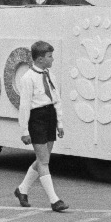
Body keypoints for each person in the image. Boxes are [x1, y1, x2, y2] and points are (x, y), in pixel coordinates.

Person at [14, 40, 68, 212]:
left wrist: (59, 122)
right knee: (44, 161)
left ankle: (22, 189)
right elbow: (24, 106)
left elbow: (57, 99)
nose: (52, 60)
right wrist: (24, 130)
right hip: (37, 118)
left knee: (43, 159)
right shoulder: (27, 78)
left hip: (49, 115)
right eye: (49, 57)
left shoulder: (49, 75)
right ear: (39, 59)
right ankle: (54, 200)